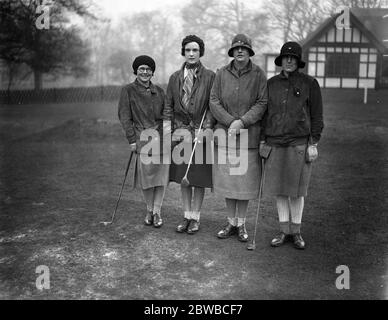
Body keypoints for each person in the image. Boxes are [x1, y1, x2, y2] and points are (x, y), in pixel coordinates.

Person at [260, 42, 324, 249]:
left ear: (298, 61)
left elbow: (317, 116)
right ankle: (284, 231)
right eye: (285, 57)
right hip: (275, 143)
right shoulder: (270, 84)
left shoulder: (309, 83)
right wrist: (263, 141)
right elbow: (264, 115)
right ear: (280, 60)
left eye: (293, 58)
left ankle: (296, 232)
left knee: (297, 191)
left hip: (299, 144)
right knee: (280, 190)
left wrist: (313, 142)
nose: (289, 61)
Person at [210, 34, 267, 243]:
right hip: (225, 136)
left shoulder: (259, 74)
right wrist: (229, 121)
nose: (240, 51)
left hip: (249, 138)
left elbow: (262, 103)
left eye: (244, 49)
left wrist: (241, 122)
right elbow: (214, 101)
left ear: (250, 52)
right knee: (229, 182)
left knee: (243, 185)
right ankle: (231, 223)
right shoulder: (222, 74)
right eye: (236, 49)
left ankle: (241, 224)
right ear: (232, 52)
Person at [163, 35, 215, 235]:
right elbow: (168, 106)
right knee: (183, 178)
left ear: (200, 52)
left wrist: (206, 127)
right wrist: (169, 132)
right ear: (183, 52)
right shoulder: (175, 78)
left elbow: (212, 106)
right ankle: (186, 216)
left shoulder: (211, 77)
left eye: (195, 50)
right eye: (188, 50)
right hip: (180, 133)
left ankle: (196, 218)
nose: (191, 54)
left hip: (200, 134)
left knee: (198, 178)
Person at [118, 55, 169, 228]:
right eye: (141, 69)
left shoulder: (160, 92)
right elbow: (125, 117)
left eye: (148, 69)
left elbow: (167, 115)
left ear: (152, 72)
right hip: (142, 139)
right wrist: (132, 140)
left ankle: (157, 211)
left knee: (160, 178)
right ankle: (149, 210)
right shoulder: (128, 90)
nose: (145, 72)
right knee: (147, 179)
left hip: (161, 139)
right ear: (136, 71)